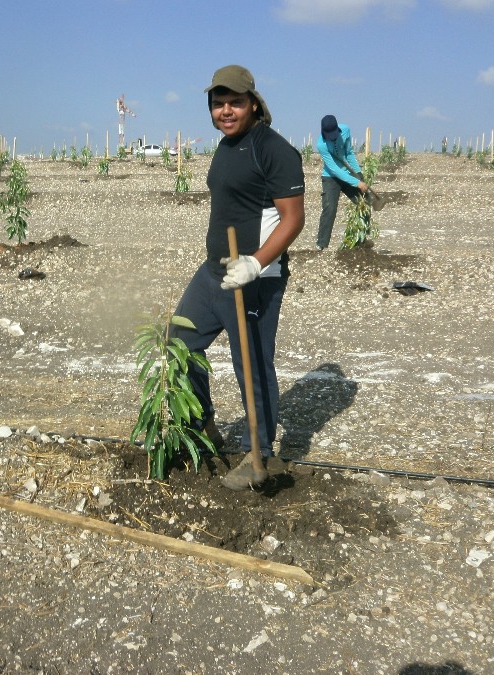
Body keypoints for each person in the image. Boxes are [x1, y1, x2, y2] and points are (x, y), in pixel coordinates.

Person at [170, 65, 305, 490]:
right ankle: (201, 425)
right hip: (214, 271)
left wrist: (255, 263)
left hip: (255, 277)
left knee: (252, 365)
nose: (225, 110)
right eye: (218, 103)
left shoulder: (275, 149)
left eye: (234, 102)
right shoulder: (226, 147)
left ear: (253, 103)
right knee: (179, 342)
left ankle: (260, 453)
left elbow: (294, 219)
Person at [315, 114, 367, 250]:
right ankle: (321, 245)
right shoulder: (321, 145)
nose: (333, 137)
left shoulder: (346, 130)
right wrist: (356, 183)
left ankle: (362, 240)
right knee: (330, 208)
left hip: (348, 173)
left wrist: (359, 175)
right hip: (331, 177)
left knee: (364, 202)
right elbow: (334, 170)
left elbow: (349, 153)